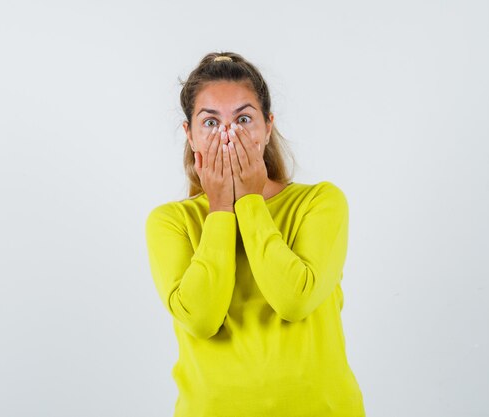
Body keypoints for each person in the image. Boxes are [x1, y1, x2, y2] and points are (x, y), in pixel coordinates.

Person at [145, 51, 366, 417]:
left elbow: (294, 300)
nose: (229, 136)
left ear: (267, 127)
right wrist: (219, 210)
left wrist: (248, 201)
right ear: (190, 135)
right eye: (211, 123)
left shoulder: (320, 202)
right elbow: (201, 319)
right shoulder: (170, 222)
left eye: (244, 119)